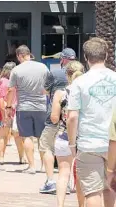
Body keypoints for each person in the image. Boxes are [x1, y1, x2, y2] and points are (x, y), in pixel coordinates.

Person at [67, 37, 116, 207]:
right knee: (111, 189)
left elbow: (72, 116)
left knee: (92, 192)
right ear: (106, 55)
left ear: (86, 58)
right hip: (113, 143)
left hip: (89, 144)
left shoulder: (79, 82)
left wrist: (72, 144)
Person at [39, 48, 76, 194]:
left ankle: (50, 181)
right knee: (71, 150)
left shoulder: (55, 73)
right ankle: (69, 182)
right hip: (72, 117)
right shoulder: (82, 74)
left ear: (63, 59)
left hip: (54, 116)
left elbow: (45, 91)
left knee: (46, 147)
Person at [7, 45, 48, 175]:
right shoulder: (43, 67)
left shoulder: (16, 70)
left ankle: (31, 166)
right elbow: (49, 87)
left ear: (19, 56)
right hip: (41, 106)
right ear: (29, 54)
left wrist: (8, 106)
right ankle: (43, 165)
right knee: (41, 137)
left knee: (26, 137)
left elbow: (11, 90)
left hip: (24, 107)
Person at [50, 61, 84, 207]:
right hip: (82, 138)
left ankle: (60, 204)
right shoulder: (85, 92)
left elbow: (54, 118)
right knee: (82, 176)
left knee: (63, 174)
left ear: (67, 75)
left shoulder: (61, 93)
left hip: (63, 136)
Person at [0, 62, 18, 164]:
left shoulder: (1, 81)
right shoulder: (17, 81)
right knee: (19, 136)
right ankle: (22, 157)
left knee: (3, 135)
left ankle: (1, 157)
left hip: (5, 109)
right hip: (17, 109)